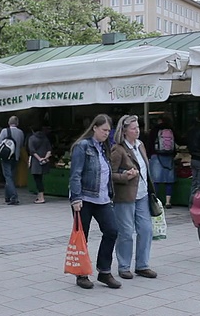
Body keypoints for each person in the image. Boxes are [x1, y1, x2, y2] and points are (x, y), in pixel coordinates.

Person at [69, 114, 120, 290]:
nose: (107, 133)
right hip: (84, 198)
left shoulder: (104, 147)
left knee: (112, 231)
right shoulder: (82, 147)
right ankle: (81, 274)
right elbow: (75, 173)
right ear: (95, 128)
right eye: (104, 130)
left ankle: (104, 271)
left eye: (108, 130)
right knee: (83, 237)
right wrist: (76, 198)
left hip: (103, 199)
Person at [110, 115, 157, 280]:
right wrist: (125, 175)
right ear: (124, 131)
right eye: (133, 128)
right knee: (126, 233)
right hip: (125, 197)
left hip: (143, 194)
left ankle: (142, 265)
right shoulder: (118, 149)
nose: (137, 130)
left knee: (146, 230)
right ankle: (124, 267)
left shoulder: (140, 145)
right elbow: (110, 174)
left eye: (138, 127)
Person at [147, 116, 176, 208]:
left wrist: (149, 155)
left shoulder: (155, 130)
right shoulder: (171, 129)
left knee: (155, 180)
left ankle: (155, 200)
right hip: (169, 156)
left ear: (159, 121)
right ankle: (168, 202)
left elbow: (150, 142)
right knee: (169, 180)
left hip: (156, 156)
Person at [0, 116, 25, 205]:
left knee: (8, 177)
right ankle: (7, 197)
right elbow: (21, 145)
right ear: (17, 123)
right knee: (11, 177)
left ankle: (13, 197)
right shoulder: (20, 132)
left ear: (9, 122)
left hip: (6, 157)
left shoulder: (4, 131)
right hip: (15, 157)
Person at [28, 125, 52, 204]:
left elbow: (32, 151)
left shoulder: (32, 138)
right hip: (44, 161)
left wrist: (39, 159)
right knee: (40, 179)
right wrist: (45, 158)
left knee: (37, 179)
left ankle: (41, 197)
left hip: (36, 162)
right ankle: (39, 196)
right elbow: (49, 150)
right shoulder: (45, 138)